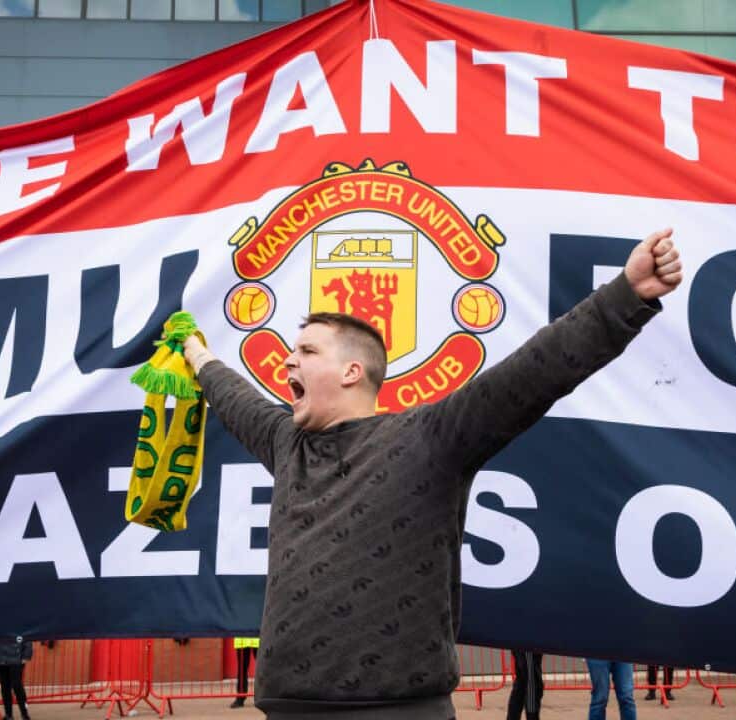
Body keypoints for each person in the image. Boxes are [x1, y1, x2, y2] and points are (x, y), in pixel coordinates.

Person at [181, 228, 682, 719]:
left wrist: (627, 295)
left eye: (308, 351)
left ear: (352, 372)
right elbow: (234, 397)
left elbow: (534, 371)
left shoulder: (429, 437)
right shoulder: (286, 443)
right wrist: (196, 353)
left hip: (400, 710)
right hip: (287, 708)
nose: (289, 359)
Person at [0, 637, 33, 720]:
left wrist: (26, 656)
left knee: (17, 687)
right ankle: (8, 714)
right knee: (5, 688)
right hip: (1, 659)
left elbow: (27, 638)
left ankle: (24, 713)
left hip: (15, 660)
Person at [506, 651, 544, 720]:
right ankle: (532, 717)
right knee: (532, 682)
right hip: (528, 646)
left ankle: (512, 717)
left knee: (522, 683)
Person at [230, 637, 259, 708]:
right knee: (242, 669)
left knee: (262, 669)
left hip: (258, 638)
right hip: (242, 640)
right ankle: (240, 697)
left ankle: (262, 696)